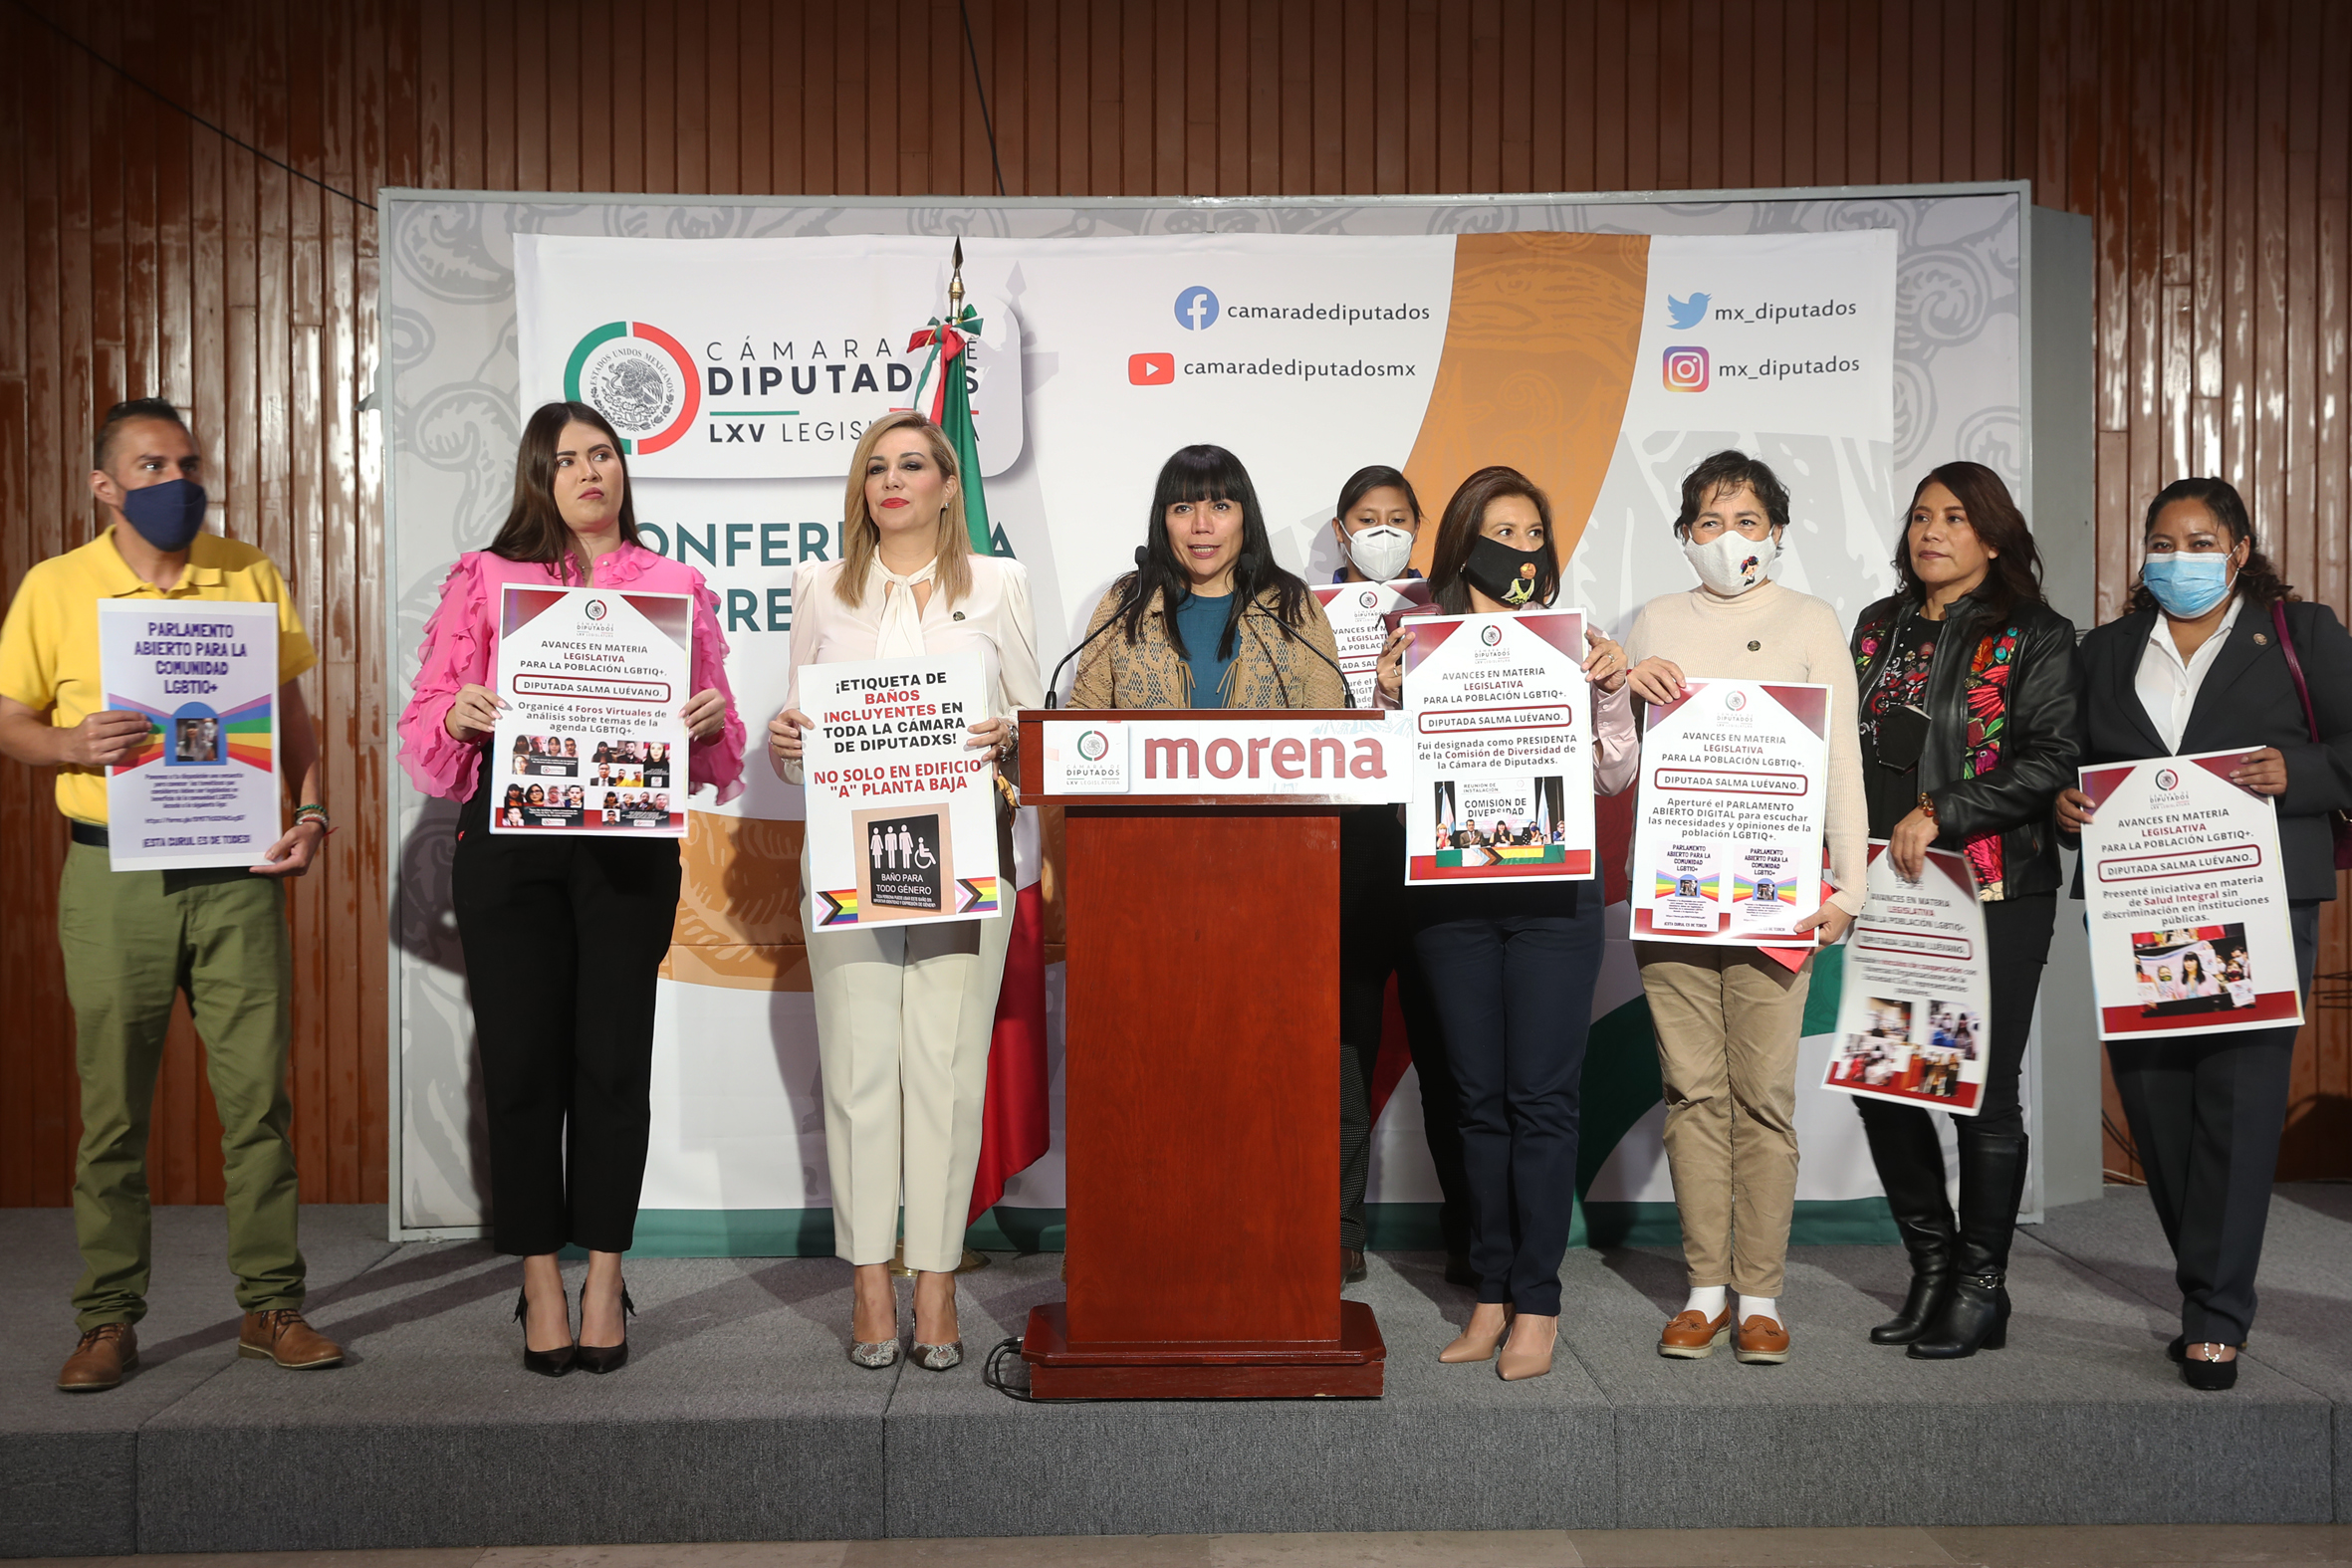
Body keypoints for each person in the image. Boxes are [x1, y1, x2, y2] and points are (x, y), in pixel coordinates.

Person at [0, 397, 343, 1392]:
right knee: (113, 1112)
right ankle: (107, 1320)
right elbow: (11, 720)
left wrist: (312, 813)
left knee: (258, 1105)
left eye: (188, 464)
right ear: (104, 486)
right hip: (114, 876)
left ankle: (271, 1307)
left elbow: (292, 716)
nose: (177, 481)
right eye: (151, 466)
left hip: (238, 873)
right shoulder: (56, 586)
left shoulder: (248, 572)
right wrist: (67, 742)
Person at [397, 400, 743, 1377]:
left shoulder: (675, 585)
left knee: (613, 1064)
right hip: (512, 848)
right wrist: (459, 712)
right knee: (521, 1067)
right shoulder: (487, 578)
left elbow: (717, 744)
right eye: (566, 461)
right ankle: (539, 1276)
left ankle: (605, 1276)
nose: (589, 473)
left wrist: (707, 719)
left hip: (627, 850)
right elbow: (426, 725)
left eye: (602, 454)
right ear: (538, 481)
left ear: (624, 468)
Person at [2058, 476, 2352, 1391]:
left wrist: (2297, 772)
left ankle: (2217, 1314)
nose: (2177, 558)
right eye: (2162, 542)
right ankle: (2209, 1285)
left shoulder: (2302, 634)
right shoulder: (2106, 649)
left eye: (2198, 542)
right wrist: (2063, 804)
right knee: (2156, 1106)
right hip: (2140, 908)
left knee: (2237, 1100)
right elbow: (2070, 760)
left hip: (2256, 908)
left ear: (2238, 551)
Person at [767, 410, 1042, 1374]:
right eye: (875, 466)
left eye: (912, 464)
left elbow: (1033, 725)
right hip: (848, 863)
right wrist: (785, 741)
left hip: (965, 856)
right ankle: (869, 1278)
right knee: (857, 1070)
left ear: (947, 486)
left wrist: (1011, 736)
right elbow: (797, 740)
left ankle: (936, 1280)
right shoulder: (819, 589)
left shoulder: (999, 584)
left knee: (945, 1068)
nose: (891, 479)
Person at [1373, 465, 1638, 1382]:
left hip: (1553, 902)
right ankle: (1489, 1291)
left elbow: (1611, 775)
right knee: (1474, 1101)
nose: (1523, 550)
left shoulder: (1571, 644)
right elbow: (1392, 791)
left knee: (1541, 1100)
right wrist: (1387, 697)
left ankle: (1539, 1301)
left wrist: (1610, 689)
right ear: (1464, 544)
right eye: (1504, 533)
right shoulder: (1418, 643)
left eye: (1534, 534)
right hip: (1450, 901)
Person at [1624, 449, 1866, 1366]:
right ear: (1686, 534)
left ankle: (1759, 1293)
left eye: (1749, 521)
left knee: (1763, 1097)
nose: (1730, 539)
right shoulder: (1656, 619)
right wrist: (1623, 686)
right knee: (1692, 1094)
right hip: (1677, 897)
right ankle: (1703, 1290)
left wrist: (1849, 886)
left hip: (1778, 901)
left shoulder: (1811, 620)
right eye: (1711, 523)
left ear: (1778, 531)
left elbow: (1839, 761)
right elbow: (1621, 759)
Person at [1846, 462, 2081, 1359]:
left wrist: (1944, 809)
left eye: (1954, 517)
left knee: (1976, 1087)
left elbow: (2052, 758)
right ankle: (1933, 1268)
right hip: (1890, 887)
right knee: (1885, 1078)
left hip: (1992, 886)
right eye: (1920, 516)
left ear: (1991, 534)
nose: (1931, 532)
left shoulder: (2035, 633)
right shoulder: (1878, 625)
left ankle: (1983, 1286)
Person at [1322, 466, 1471, 1286]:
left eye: (1398, 517)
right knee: (1345, 1054)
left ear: (1418, 526)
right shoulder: (1303, 614)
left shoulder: (1451, 611)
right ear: (1341, 532)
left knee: (1451, 1052)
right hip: (1345, 854)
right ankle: (1339, 1229)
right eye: (1366, 517)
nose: (1383, 531)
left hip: (1434, 854)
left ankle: (1471, 1232)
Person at [1067, 444, 1346, 709]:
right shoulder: (1125, 604)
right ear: (1163, 521)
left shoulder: (1293, 605)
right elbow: (1080, 720)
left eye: (1220, 506)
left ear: (1245, 516)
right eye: (1183, 508)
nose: (1201, 525)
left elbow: (1330, 722)